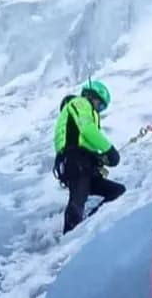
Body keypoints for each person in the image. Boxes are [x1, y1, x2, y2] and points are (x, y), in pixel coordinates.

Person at [53, 80, 126, 234]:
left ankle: (87, 230)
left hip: (83, 163)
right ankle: (70, 241)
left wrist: (98, 159)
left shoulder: (80, 111)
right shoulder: (80, 103)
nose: (99, 110)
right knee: (77, 202)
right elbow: (87, 130)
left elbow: (85, 141)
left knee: (117, 191)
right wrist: (109, 151)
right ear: (92, 96)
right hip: (75, 160)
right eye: (100, 105)